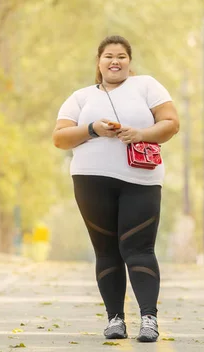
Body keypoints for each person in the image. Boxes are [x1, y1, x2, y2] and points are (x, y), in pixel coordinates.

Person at [52, 35, 179, 342]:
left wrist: (140, 133)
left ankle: (149, 319)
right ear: (99, 62)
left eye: (121, 56)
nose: (115, 61)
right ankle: (115, 320)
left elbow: (171, 123)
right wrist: (93, 129)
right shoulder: (80, 97)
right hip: (90, 180)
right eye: (109, 56)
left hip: (141, 180)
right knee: (106, 251)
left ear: (129, 62)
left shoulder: (147, 86)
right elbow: (60, 138)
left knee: (139, 249)